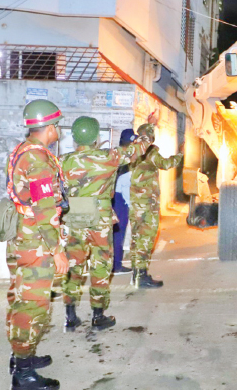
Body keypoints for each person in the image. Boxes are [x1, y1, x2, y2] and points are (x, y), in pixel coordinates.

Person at [60, 117, 149, 331]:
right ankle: (98, 316)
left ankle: (70, 316)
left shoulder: (63, 160)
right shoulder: (108, 157)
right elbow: (140, 148)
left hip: (76, 213)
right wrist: (148, 129)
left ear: (74, 138)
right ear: (96, 138)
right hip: (99, 215)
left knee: (74, 265)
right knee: (101, 265)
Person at [5, 99, 68, 390]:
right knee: (33, 305)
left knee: (22, 300)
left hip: (25, 236)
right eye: (57, 126)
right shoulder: (39, 161)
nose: (59, 131)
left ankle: (22, 357)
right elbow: (45, 212)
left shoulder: (23, 151)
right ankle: (24, 374)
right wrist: (58, 251)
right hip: (37, 242)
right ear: (50, 127)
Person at [129, 122, 183, 288]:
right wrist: (180, 153)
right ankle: (141, 277)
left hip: (136, 202)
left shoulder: (133, 150)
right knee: (146, 238)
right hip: (147, 203)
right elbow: (166, 164)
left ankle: (136, 274)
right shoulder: (149, 151)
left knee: (137, 237)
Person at [111, 128, 136, 274]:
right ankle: (116, 265)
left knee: (114, 232)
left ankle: (114, 264)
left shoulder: (114, 153)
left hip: (112, 196)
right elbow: (123, 184)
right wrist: (130, 204)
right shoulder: (125, 160)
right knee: (118, 232)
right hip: (119, 199)